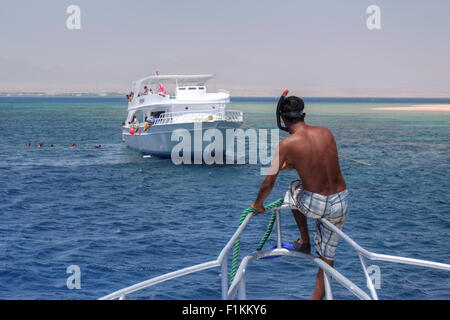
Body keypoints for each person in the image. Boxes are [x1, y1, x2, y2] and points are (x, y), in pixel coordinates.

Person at [250, 95, 348, 300]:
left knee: (294, 187)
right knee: (326, 260)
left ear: (282, 120)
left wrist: (258, 204)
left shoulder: (287, 144)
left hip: (316, 204)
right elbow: (320, 161)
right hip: (340, 201)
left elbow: (268, 182)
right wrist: (296, 164)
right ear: (303, 114)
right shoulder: (326, 132)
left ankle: (304, 240)